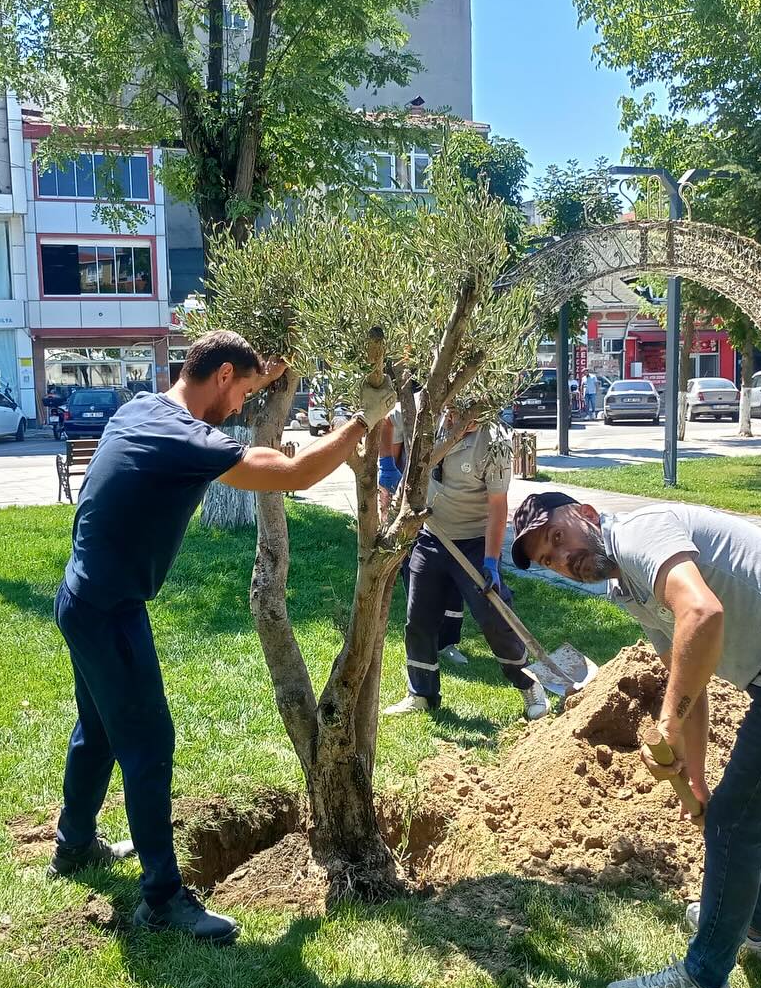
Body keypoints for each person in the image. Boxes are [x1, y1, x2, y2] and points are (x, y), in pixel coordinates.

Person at [52, 330, 397, 945]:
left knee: (99, 727)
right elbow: (291, 475)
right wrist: (359, 425)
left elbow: (227, 389)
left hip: (80, 594)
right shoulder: (187, 439)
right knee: (148, 743)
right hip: (110, 608)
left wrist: (261, 375)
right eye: (239, 394)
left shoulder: (141, 408)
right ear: (220, 377)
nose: (239, 409)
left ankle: (73, 844)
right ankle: (161, 898)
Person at [510, 491, 761, 988]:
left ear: (587, 515)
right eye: (549, 560)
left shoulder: (640, 534)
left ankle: (703, 982)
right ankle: (755, 929)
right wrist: (698, 777)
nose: (562, 558)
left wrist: (665, 725)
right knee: (753, 809)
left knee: (737, 821)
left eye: (557, 537)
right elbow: (692, 679)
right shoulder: (630, 587)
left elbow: (702, 614)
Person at [383, 408, 550, 720]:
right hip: (431, 534)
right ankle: (421, 694)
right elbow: (388, 421)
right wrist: (386, 469)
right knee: (418, 619)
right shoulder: (424, 414)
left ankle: (530, 686)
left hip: (475, 540)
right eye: (459, 409)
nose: (466, 418)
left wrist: (490, 559)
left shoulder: (495, 440)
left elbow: (498, 507)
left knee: (494, 617)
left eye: (474, 411)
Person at [379, 406, 466, 664]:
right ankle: (423, 642)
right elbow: (387, 424)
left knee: (453, 580)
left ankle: (447, 642)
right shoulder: (414, 404)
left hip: (450, 507)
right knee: (417, 575)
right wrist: (386, 465)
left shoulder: (464, 409)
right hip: (415, 506)